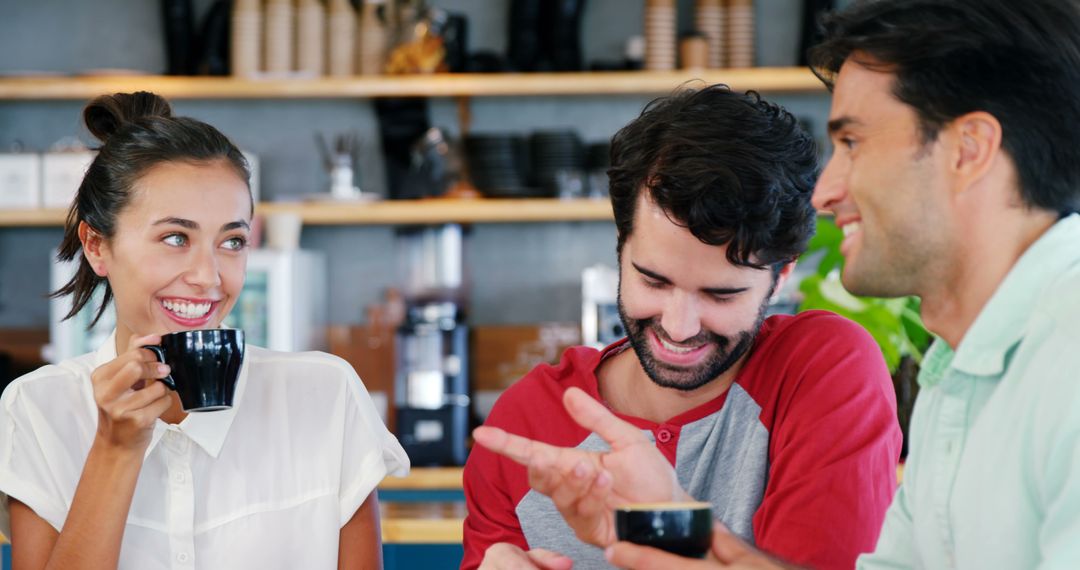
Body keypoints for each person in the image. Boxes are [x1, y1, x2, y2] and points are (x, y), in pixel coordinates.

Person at [483, 0, 1080, 568]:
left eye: (851, 143)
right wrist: (668, 524)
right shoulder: (965, 369)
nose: (826, 191)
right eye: (654, 279)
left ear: (968, 151)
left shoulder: (1064, 359)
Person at [462, 85, 902, 570]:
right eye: (653, 280)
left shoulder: (821, 372)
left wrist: (673, 525)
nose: (679, 325)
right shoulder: (525, 425)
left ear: (781, 275)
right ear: (621, 244)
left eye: (720, 294)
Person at [0, 91, 409, 569]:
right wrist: (115, 449)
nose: (209, 276)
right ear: (96, 246)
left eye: (232, 240)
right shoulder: (37, 409)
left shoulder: (326, 395)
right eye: (176, 238)